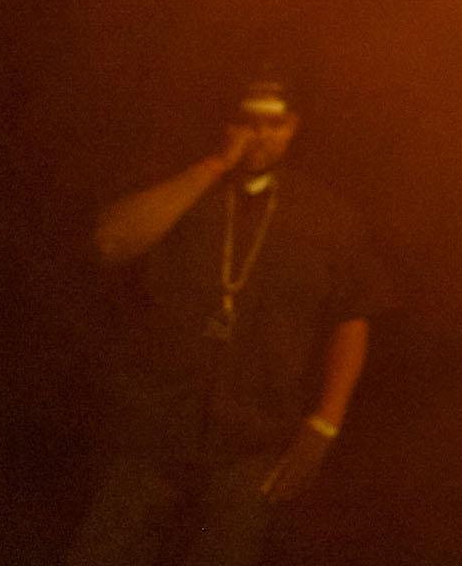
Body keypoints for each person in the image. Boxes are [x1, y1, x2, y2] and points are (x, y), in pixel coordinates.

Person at [65, 71, 386, 566]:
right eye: (248, 121)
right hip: (152, 426)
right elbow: (111, 243)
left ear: (294, 127)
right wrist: (215, 167)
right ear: (227, 123)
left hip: (254, 438)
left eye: (274, 123)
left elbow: (353, 319)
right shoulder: (183, 186)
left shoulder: (329, 218)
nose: (261, 134)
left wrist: (325, 424)